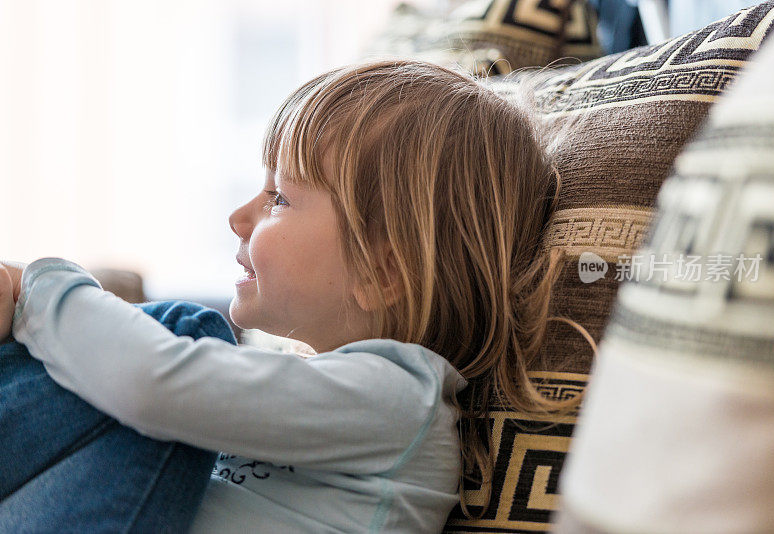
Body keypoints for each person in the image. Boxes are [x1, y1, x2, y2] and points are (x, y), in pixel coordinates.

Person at [0, 59, 570, 533]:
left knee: (181, 329)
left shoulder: (398, 401)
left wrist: (36, 288)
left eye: (278, 198)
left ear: (382, 272)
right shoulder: (335, 387)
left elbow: (150, 385)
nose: (238, 217)